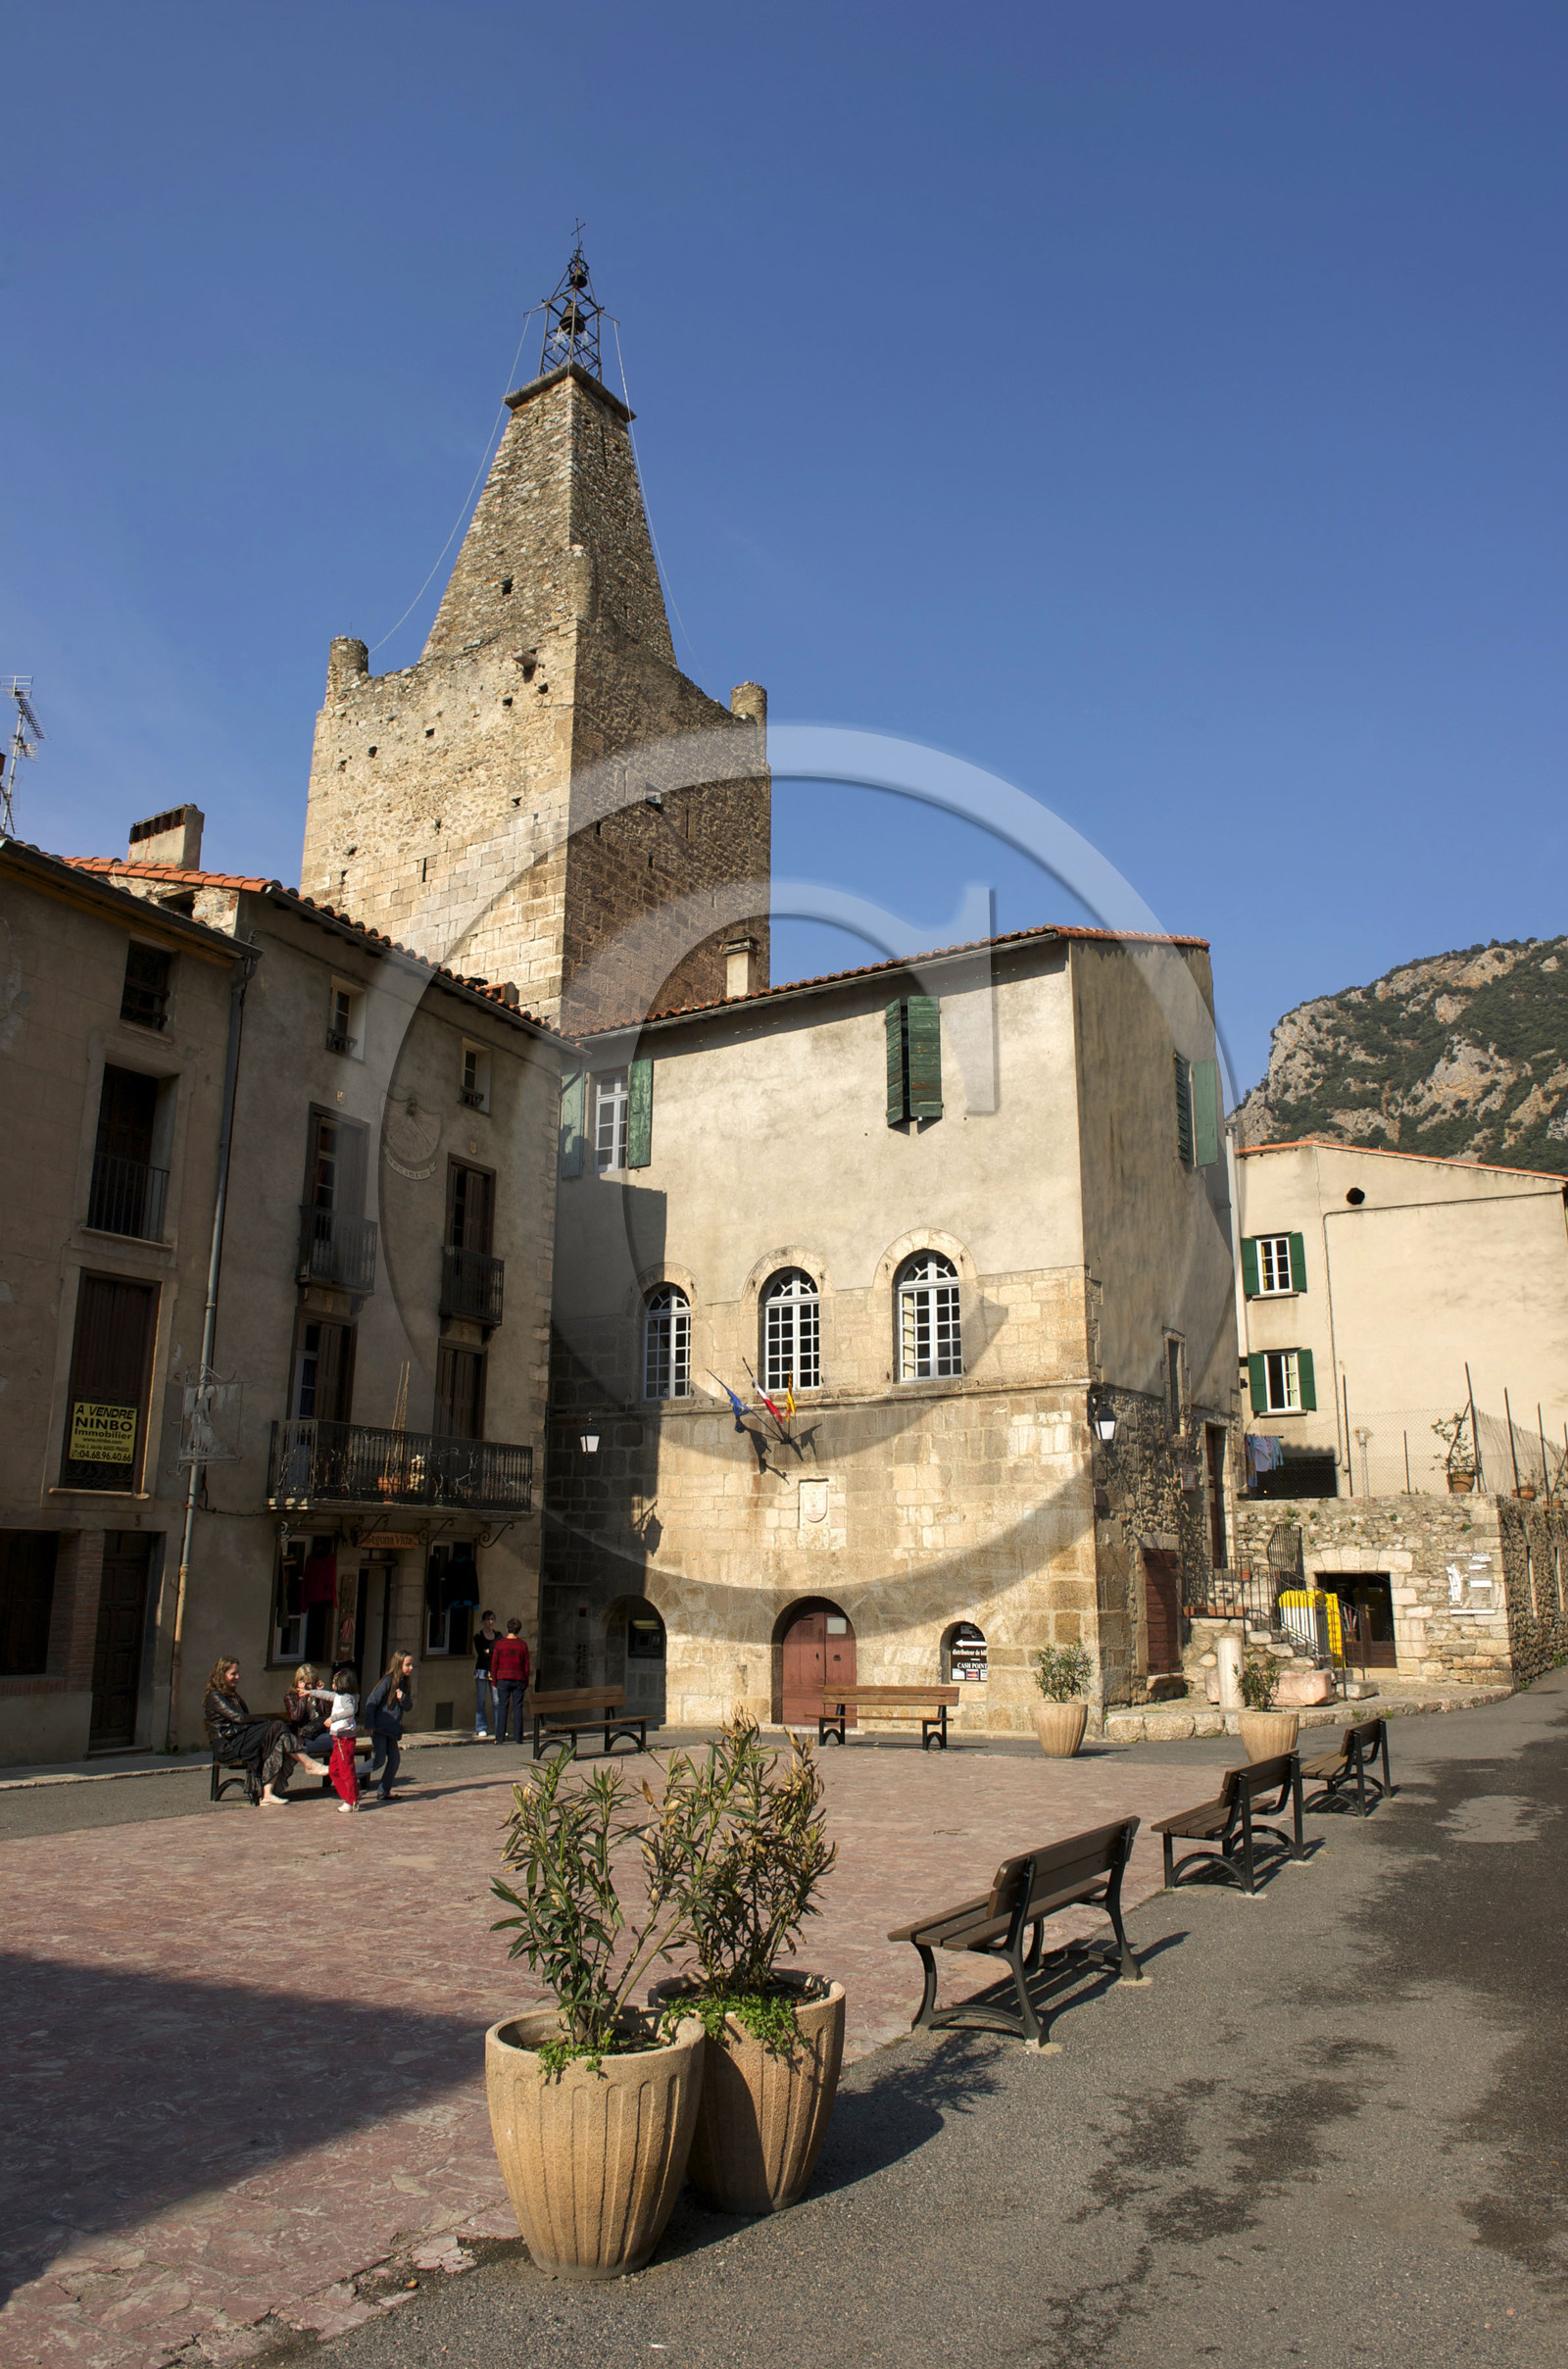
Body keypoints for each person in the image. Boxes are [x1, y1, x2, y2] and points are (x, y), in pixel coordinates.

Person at [203, 1657, 326, 1807]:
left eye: (237, 1673)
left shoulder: (232, 1694)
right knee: (277, 1726)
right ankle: (309, 1764)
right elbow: (239, 1717)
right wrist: (264, 1722)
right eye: (233, 1674)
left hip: (239, 1738)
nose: (237, 1677)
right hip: (227, 1745)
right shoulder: (215, 1696)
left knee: (280, 1739)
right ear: (221, 1674)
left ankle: (267, 1794)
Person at [301, 1663, 362, 1813]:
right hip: (337, 1739)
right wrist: (310, 1692)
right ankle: (348, 1796)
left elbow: (349, 1712)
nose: (332, 1685)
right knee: (334, 1770)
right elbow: (327, 1695)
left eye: (334, 1682)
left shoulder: (347, 1698)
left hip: (344, 1739)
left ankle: (351, 1799)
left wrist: (332, 1719)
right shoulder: (340, 1696)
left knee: (346, 1770)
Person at [365, 1652, 415, 1802]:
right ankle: (349, 1776)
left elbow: (409, 1706)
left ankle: (384, 1791)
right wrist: (369, 1724)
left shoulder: (404, 1683)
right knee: (378, 1760)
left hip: (392, 1729)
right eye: (407, 1665)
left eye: (411, 1665)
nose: (410, 1668)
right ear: (399, 1664)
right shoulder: (388, 1680)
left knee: (394, 1759)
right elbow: (371, 1701)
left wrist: (403, 1698)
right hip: (380, 1727)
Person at [491, 1619, 530, 1747]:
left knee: (503, 1707)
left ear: (507, 1629)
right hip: (518, 1678)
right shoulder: (522, 1645)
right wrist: (526, 1681)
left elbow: (495, 1664)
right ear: (519, 1630)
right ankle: (518, 1737)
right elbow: (526, 1666)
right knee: (518, 1707)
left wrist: (494, 1680)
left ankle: (499, 1737)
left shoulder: (500, 1644)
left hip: (503, 1677)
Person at [282, 1664, 330, 1755]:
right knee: (335, 1740)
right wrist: (303, 1697)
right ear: (299, 1682)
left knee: (337, 1738)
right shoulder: (290, 1697)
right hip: (305, 1737)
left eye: (313, 1683)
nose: (311, 1687)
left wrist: (320, 1693)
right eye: (308, 1684)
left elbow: (327, 1714)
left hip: (320, 1731)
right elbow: (296, 1717)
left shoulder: (316, 1693)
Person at [472, 1609, 498, 1737]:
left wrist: (490, 1651)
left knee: (496, 1700)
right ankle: (481, 1727)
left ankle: (499, 1726)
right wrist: (489, 1652)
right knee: (481, 1700)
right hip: (482, 1670)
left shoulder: (498, 1636)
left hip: (494, 1670)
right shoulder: (478, 1636)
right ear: (484, 1621)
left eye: (492, 1619)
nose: (490, 1622)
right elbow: (481, 1654)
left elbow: (498, 1653)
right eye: (488, 1619)